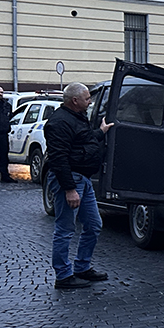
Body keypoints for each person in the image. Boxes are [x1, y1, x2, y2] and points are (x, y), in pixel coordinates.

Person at [44, 83, 112, 289]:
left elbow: (84, 140)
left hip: (83, 180)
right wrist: (69, 189)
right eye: (87, 98)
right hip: (71, 181)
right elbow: (58, 159)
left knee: (93, 225)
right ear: (75, 101)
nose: (90, 101)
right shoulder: (58, 123)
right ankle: (63, 276)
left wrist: (101, 132)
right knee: (65, 229)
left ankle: (82, 267)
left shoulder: (76, 117)